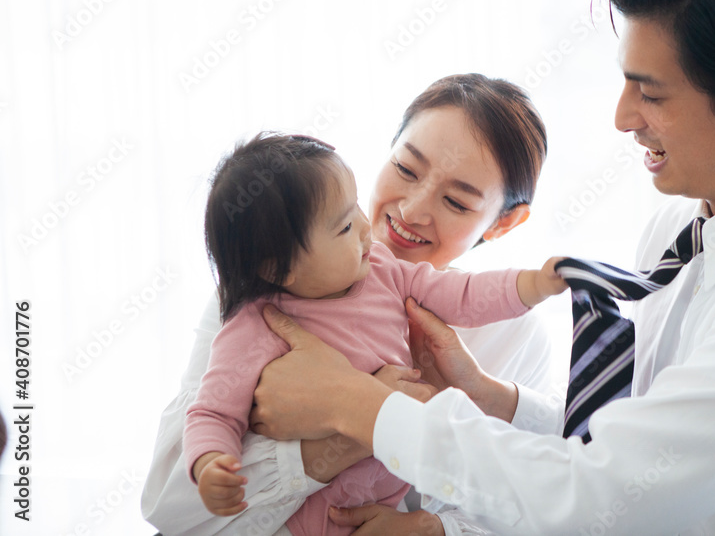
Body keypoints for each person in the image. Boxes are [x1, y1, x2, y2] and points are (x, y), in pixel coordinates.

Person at [248, 0, 715, 535]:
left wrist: (356, 405)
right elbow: (630, 449)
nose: (623, 118)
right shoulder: (680, 231)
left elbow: (607, 499)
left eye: (651, 93)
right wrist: (492, 399)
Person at [142, 74, 564, 536]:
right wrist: (345, 426)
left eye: (456, 202)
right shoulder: (265, 297)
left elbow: (528, 508)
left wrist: (434, 527)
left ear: (504, 223)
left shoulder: (514, 338)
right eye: (406, 169)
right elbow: (172, 506)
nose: (411, 211)